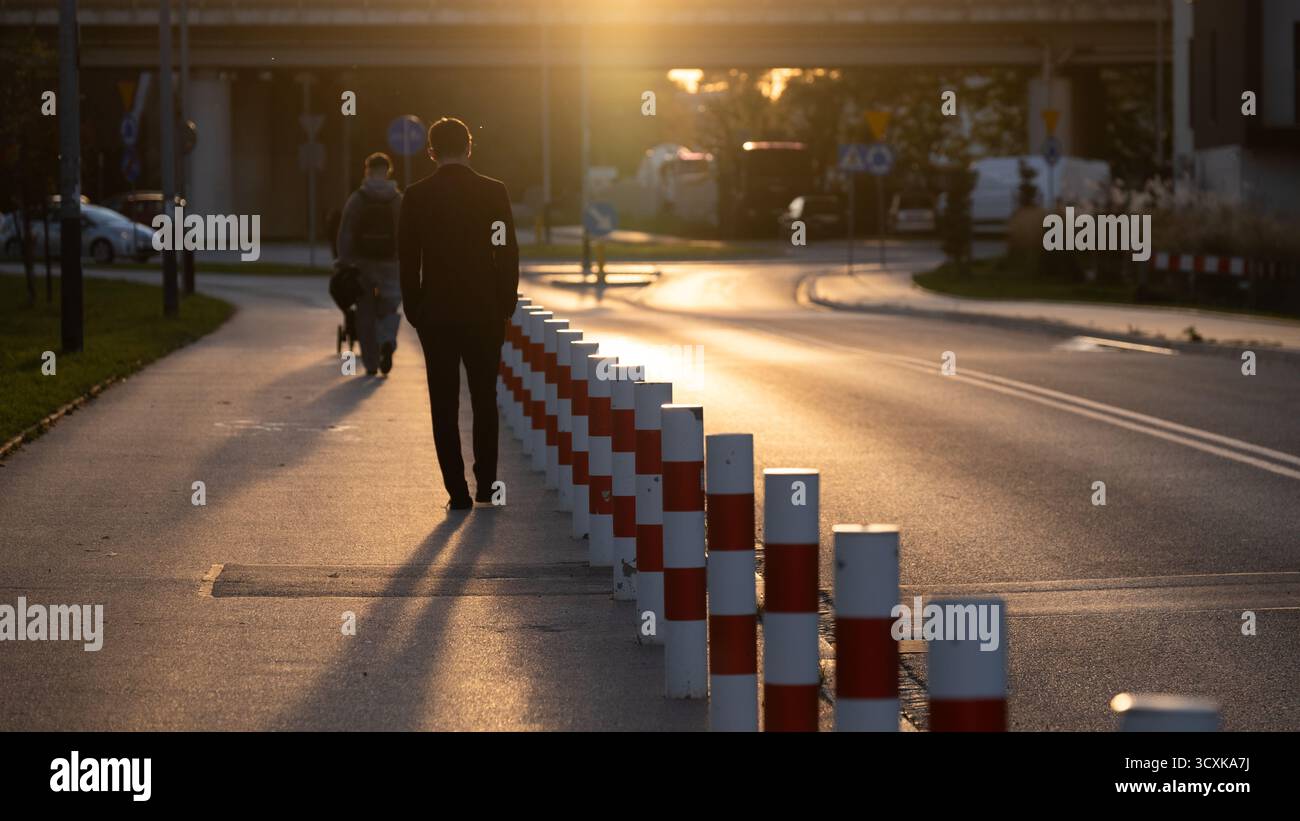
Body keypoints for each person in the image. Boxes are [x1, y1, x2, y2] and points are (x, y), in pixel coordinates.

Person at [399, 117, 519, 511]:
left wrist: (415, 308)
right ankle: (487, 484)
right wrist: (505, 302)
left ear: (430, 151)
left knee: (444, 403)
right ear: (469, 147)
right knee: (485, 398)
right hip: (484, 311)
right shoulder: (493, 192)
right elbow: (505, 251)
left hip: (437, 314)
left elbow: (407, 259)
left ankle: (457, 492)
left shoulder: (416, 196)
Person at [337, 152, 404, 375]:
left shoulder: (358, 198)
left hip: (362, 263)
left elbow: (346, 231)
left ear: (367, 170)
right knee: (389, 306)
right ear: (388, 171)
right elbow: (405, 232)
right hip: (391, 263)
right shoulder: (396, 199)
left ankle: (371, 363)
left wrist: (344, 261)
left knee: (365, 311)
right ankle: (387, 339)